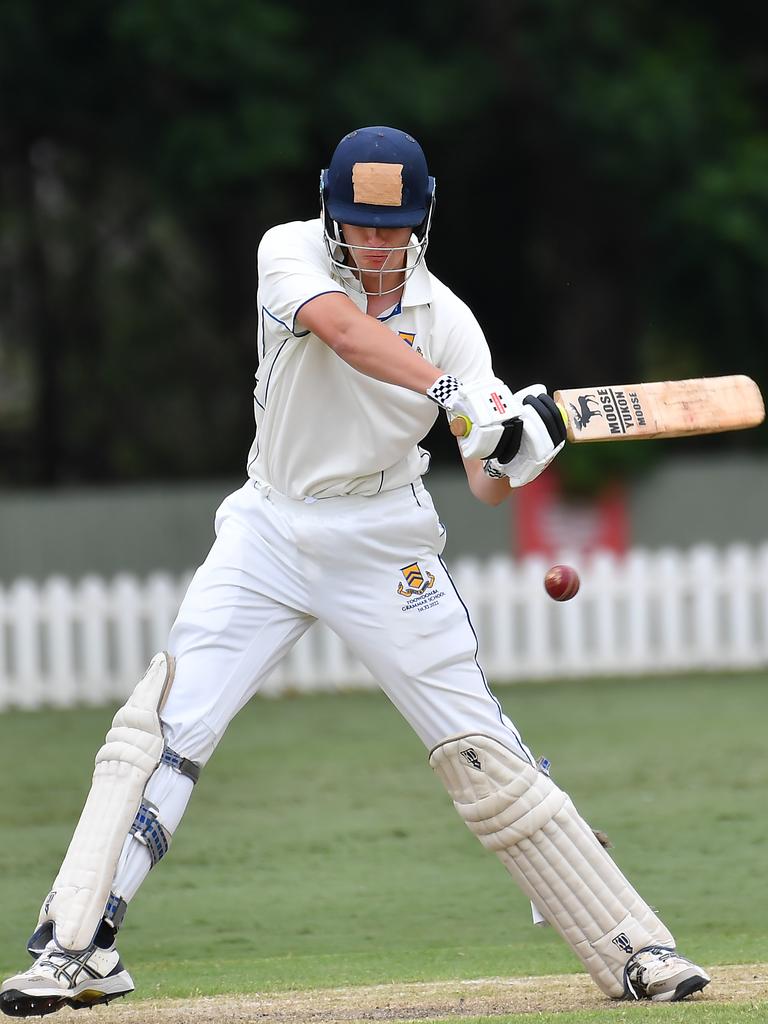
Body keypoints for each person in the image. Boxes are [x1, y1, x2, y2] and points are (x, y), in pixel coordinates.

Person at [0, 126, 709, 1017]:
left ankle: (634, 947)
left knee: (478, 747)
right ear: (331, 211)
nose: (377, 243)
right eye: (361, 224)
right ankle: (76, 949)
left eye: (396, 227)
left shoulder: (450, 321)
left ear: (422, 221)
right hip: (266, 527)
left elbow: (486, 485)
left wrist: (521, 445)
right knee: (159, 729)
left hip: (384, 540)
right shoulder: (288, 252)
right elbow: (342, 333)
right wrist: (459, 398)